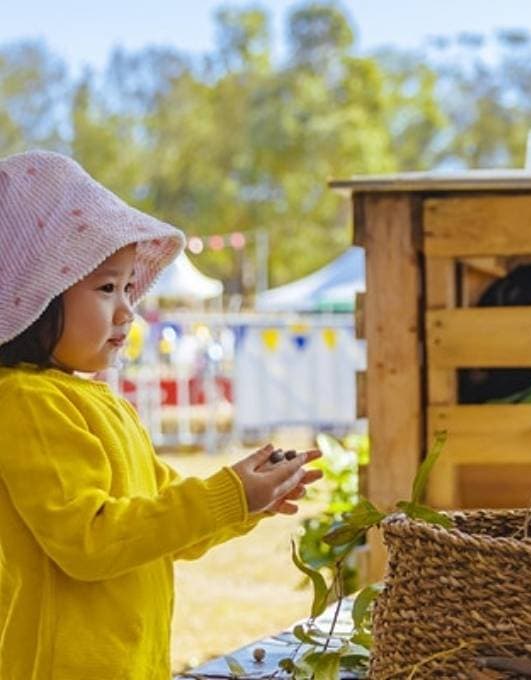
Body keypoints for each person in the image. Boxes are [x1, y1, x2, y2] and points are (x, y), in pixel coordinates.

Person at [0, 150, 323, 680]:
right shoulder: (28, 403)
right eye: (106, 288)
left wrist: (244, 502)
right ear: (32, 295)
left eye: (130, 287)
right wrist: (229, 496)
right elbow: (92, 541)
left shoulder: (98, 401)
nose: (128, 308)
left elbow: (162, 518)